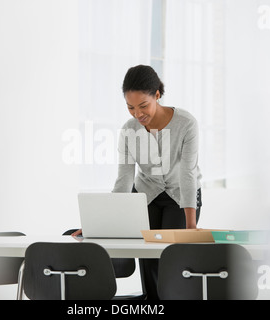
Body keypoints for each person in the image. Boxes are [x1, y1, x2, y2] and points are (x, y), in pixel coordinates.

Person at [72, 64, 202, 300]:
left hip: (180, 194)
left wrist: (190, 227)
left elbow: (188, 174)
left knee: (172, 257)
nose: (137, 114)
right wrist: (99, 224)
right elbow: (124, 179)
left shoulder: (186, 123)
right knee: (148, 256)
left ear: (157, 95)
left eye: (143, 106)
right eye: (130, 107)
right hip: (146, 194)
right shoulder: (128, 131)